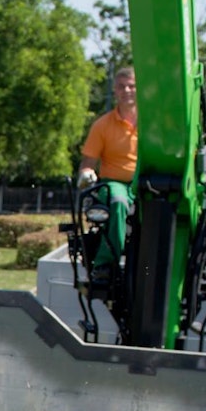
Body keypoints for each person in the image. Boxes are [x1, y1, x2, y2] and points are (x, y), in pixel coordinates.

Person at [77, 67, 137, 280]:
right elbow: (88, 163)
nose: (127, 90)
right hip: (115, 183)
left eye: (131, 86)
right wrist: (86, 174)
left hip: (143, 182)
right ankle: (106, 263)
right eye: (121, 87)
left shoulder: (152, 125)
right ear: (115, 91)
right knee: (118, 202)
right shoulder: (102, 125)